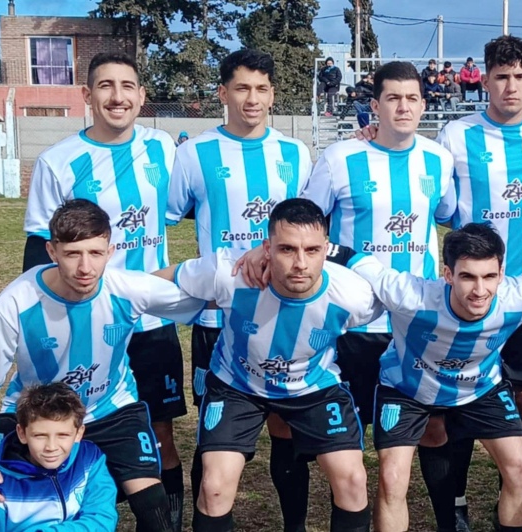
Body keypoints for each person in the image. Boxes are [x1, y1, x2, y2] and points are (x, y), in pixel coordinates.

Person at [0, 199, 205, 532]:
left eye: (95, 254)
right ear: (52, 251)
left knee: (151, 504)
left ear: (110, 252)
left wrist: (258, 266)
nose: (85, 267)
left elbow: (207, 297)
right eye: (72, 254)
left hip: (111, 409)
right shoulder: (16, 302)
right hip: (33, 411)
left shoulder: (129, 288)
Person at [19, 51, 188, 529]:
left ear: (141, 95)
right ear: (87, 96)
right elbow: (38, 250)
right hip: (89, 323)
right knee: (75, 427)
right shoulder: (59, 161)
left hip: (151, 321)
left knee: (159, 435)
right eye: (106, 86)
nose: (118, 96)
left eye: (128, 86)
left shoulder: (163, 148)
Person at [336, 223, 522, 532]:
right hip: (406, 389)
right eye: (467, 277)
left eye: (490, 276)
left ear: (501, 273)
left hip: (480, 390)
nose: (480, 290)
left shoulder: (520, 296)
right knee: (392, 478)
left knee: (520, 468)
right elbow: (352, 258)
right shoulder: (410, 295)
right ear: (448, 274)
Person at [160, 199, 381, 532]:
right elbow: (154, 285)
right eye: (287, 249)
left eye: (312, 250)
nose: (300, 263)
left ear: (327, 250)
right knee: (214, 486)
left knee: (352, 479)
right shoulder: (230, 272)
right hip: (238, 384)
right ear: (266, 248)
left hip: (313, 385)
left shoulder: (354, 296)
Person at [302, 60, 457, 530]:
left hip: (418, 324)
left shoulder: (438, 159)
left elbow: (446, 212)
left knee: (432, 430)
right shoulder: (340, 158)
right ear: (375, 105)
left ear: (424, 104)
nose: (404, 106)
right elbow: (310, 223)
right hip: (355, 323)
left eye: (412, 98)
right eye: (393, 98)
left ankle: (449, 520)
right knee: (347, 442)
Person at [165, 48, 312, 531]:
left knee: (285, 426)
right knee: (215, 436)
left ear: (273, 94)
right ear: (223, 92)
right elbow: (165, 216)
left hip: (284, 312)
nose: (253, 99)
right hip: (217, 319)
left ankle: (293, 524)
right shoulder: (193, 154)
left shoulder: (295, 153)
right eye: (243, 88)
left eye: (263, 89)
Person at [435, 35, 522, 531]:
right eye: (501, 76)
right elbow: (429, 182)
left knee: (517, 396)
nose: (510, 85)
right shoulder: (456, 136)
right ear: (485, 79)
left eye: (519, 76)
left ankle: (511, 490)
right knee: (459, 392)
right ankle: (453, 500)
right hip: (474, 292)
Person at [0, 383, 118, 531]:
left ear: (79, 433)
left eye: (63, 435)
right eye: (40, 436)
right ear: (22, 433)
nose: (51, 447)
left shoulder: (90, 460)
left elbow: (102, 519)